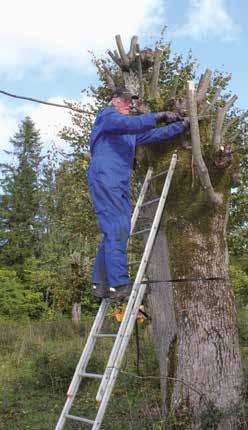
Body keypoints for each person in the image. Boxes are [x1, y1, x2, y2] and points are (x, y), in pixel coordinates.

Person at [88, 87, 189, 300]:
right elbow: (130, 123)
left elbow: (154, 134)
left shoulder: (127, 133)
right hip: (107, 177)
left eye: (131, 102)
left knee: (117, 230)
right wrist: (158, 115)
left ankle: (100, 284)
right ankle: (119, 284)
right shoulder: (107, 116)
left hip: (119, 182)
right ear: (114, 100)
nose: (130, 105)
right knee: (117, 227)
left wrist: (181, 126)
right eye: (126, 100)